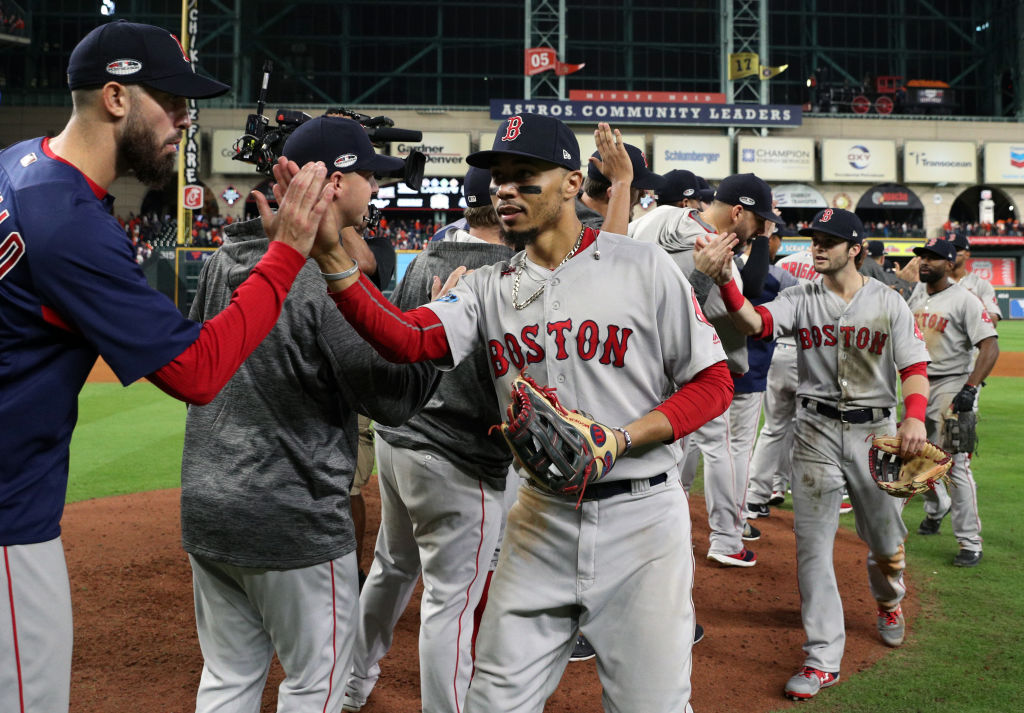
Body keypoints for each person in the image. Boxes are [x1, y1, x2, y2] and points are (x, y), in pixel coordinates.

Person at [319, 113, 733, 713]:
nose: (504, 189)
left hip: (642, 520)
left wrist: (621, 438)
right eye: (498, 178)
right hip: (539, 519)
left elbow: (714, 383)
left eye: (524, 175)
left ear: (570, 183)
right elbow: (407, 340)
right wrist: (334, 260)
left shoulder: (642, 267)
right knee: (492, 702)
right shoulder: (489, 286)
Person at [0, 21, 336, 713]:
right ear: (116, 98)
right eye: (172, 101)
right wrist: (287, 255)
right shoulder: (67, 222)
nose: (186, 119)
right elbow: (197, 372)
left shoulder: (16, 166)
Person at [180, 116, 440, 713]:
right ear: (334, 181)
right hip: (291, 513)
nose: (375, 189)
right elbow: (390, 399)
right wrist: (441, 342)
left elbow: (199, 348)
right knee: (315, 682)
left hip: (209, 504)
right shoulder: (321, 277)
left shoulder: (225, 259)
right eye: (368, 176)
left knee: (227, 677)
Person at [696, 208, 930, 701]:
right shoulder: (799, 298)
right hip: (815, 432)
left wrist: (914, 415)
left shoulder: (889, 302)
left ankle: (890, 600)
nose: (818, 246)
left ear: (856, 249)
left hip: (876, 435)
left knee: (886, 543)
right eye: (815, 238)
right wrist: (726, 282)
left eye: (830, 240)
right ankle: (822, 658)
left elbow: (913, 364)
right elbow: (756, 323)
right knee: (812, 547)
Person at [342, 166, 517, 713]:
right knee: (452, 601)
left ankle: (352, 682)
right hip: (460, 458)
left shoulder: (423, 261)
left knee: (393, 568)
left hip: (399, 442)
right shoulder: (515, 273)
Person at [630, 173, 784, 567]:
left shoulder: (656, 217)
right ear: (737, 212)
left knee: (660, 452)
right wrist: (761, 238)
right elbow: (751, 291)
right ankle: (727, 538)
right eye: (758, 219)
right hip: (691, 368)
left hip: (633, 359)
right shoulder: (716, 252)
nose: (760, 227)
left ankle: (661, 531)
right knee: (719, 448)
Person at [906, 238, 999, 567]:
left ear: (949, 263)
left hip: (951, 384)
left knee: (956, 465)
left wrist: (971, 388)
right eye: (922, 257)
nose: (924, 262)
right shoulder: (917, 294)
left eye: (932, 258)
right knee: (915, 459)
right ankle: (936, 507)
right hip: (916, 384)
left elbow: (990, 345)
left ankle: (970, 541)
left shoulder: (965, 300)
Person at [576, 141, 663, 233]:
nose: (643, 195)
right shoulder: (589, 234)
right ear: (613, 193)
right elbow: (613, 243)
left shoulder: (569, 204)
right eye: (638, 189)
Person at [948, 234, 1003, 323]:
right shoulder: (936, 282)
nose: (951, 253)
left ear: (967, 254)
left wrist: (976, 305)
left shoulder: (981, 284)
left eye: (956, 250)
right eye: (948, 250)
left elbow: (993, 320)